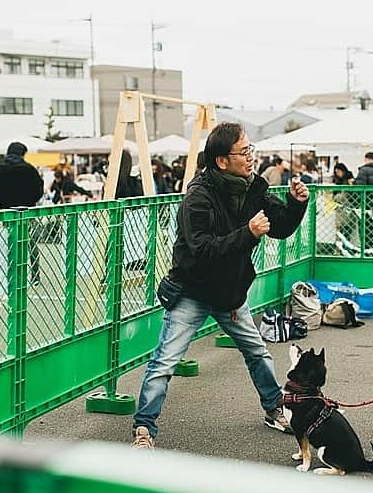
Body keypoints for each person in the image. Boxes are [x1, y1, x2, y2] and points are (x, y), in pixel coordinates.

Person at [131, 122, 309, 449]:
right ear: (221, 161)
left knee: (257, 352)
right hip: (193, 291)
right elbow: (201, 251)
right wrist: (248, 233)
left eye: (250, 150)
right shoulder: (198, 197)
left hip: (230, 292)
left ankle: (274, 410)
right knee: (165, 361)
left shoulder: (252, 186)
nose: (251, 158)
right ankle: (144, 429)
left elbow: (280, 226)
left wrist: (296, 204)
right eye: (244, 152)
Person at [0, 141, 44, 284]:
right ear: (22, 154)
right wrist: (29, 200)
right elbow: (39, 190)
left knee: (9, 242)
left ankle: (10, 272)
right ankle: (34, 275)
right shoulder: (29, 169)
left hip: (7, 212)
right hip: (27, 211)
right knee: (30, 243)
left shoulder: (0, 170)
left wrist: (5, 201)